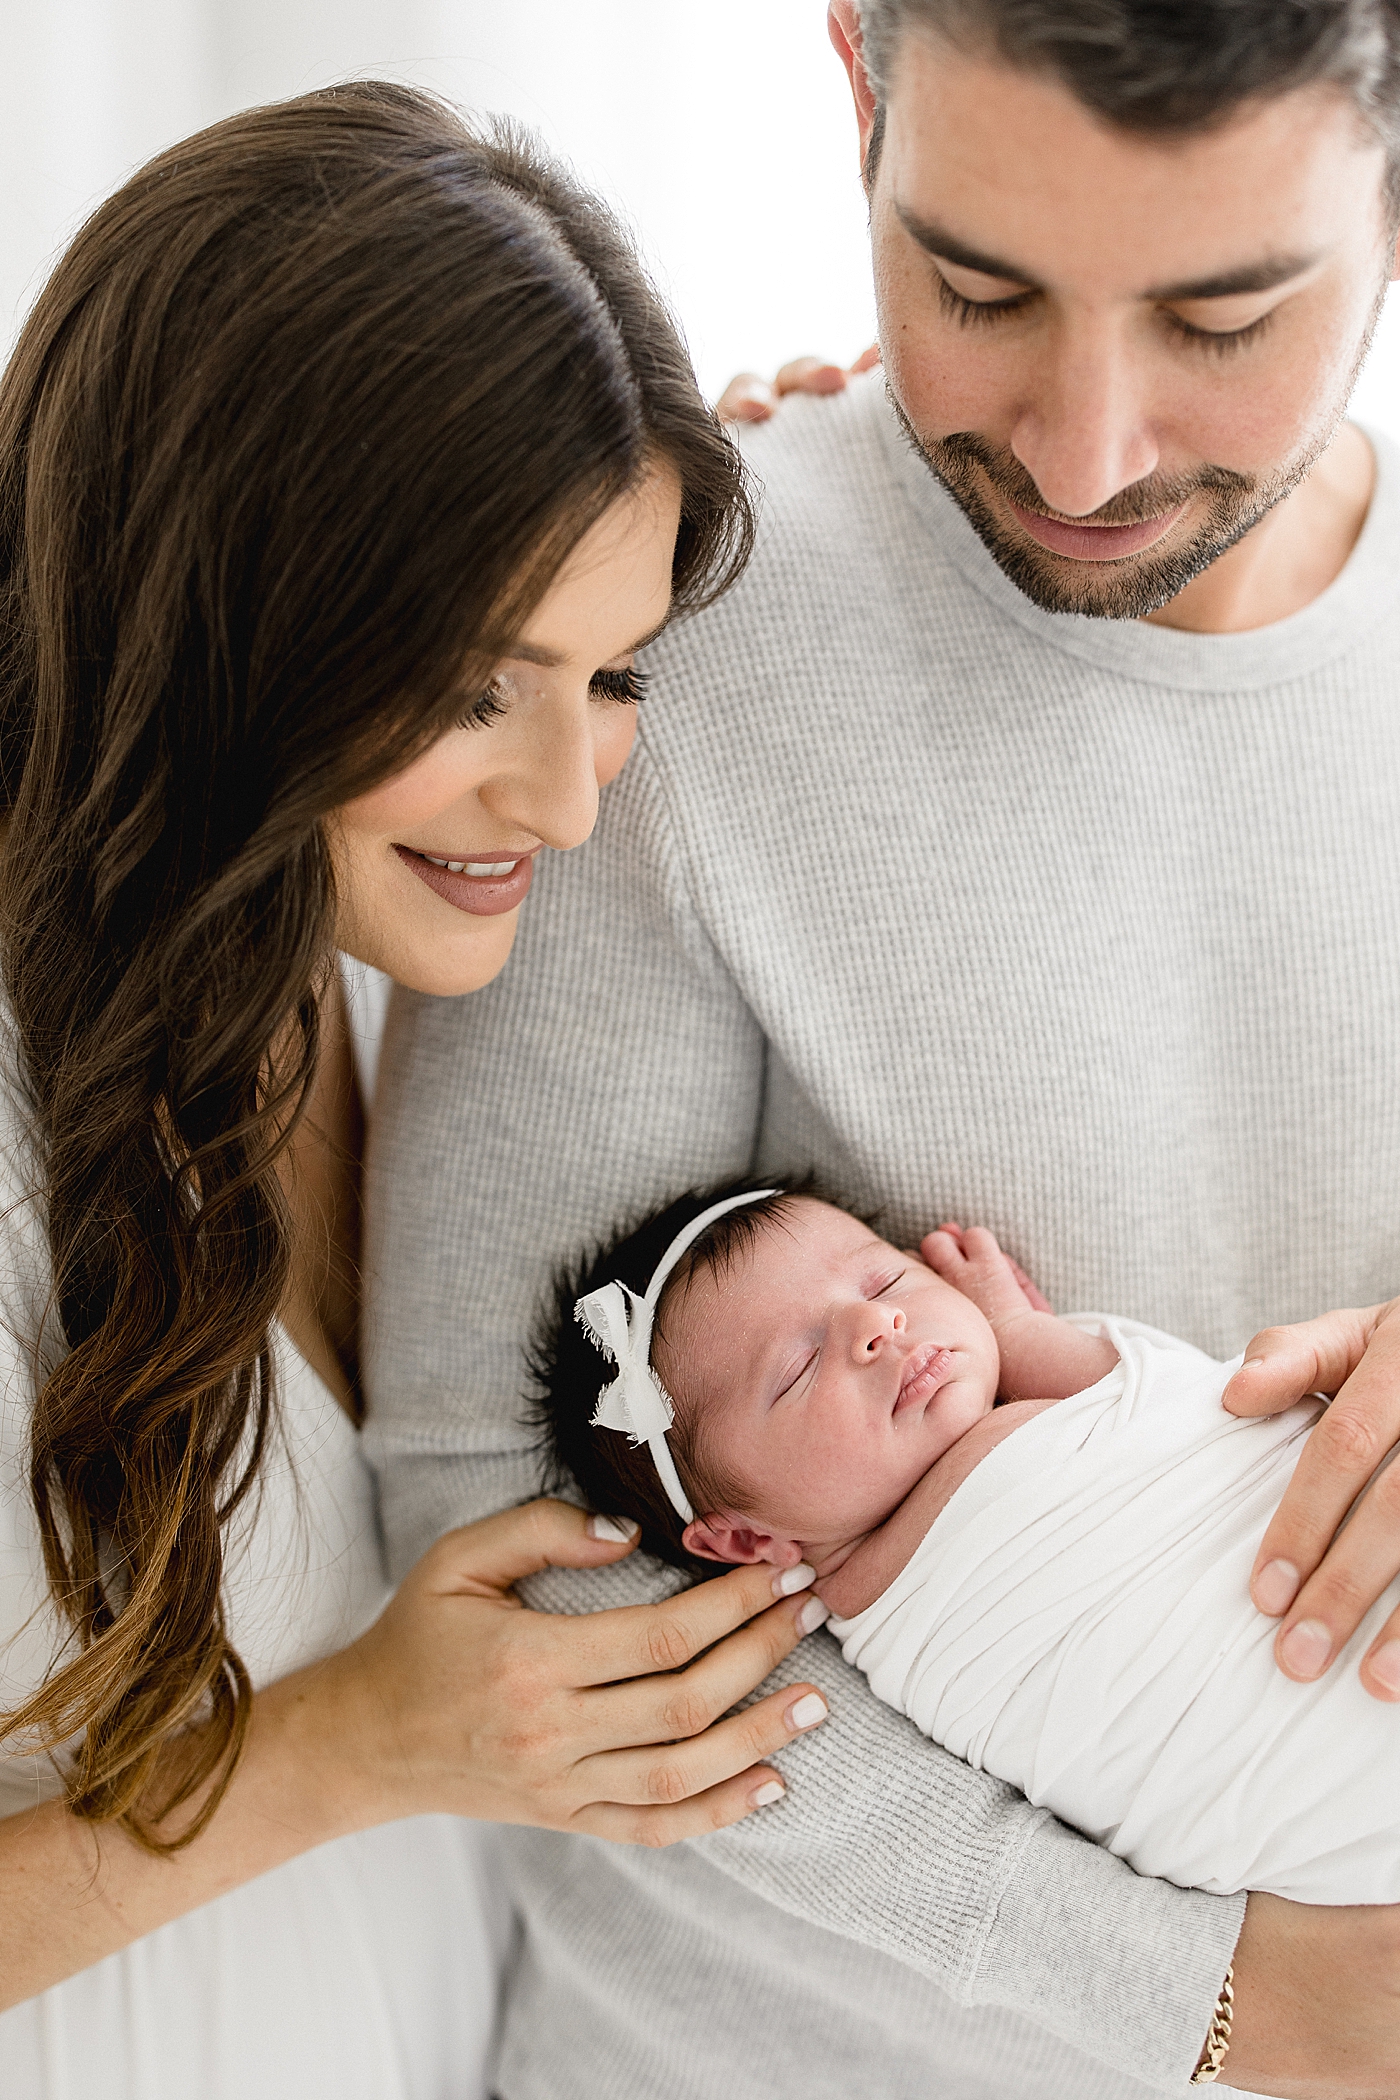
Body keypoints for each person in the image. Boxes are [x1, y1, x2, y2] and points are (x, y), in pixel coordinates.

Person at [361, 3, 1400, 2096]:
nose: (1082, 450)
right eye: (974, 287)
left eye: (1224, 316)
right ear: (855, 74)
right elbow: (501, 1530)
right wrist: (1206, 2003)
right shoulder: (668, 635)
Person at [0, 83, 836, 2098]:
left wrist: (856, 521)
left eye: (615, 673)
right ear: (228, 615)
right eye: (471, 684)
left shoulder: (357, 1000)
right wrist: (350, 1746)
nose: (562, 798)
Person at [535, 1180, 1400, 1905]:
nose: (877, 1330)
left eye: (885, 1281)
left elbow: (1206, 1406)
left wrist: (1016, 1335)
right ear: (748, 1536)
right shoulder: (873, 1624)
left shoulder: (1056, 1392)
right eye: (796, 1370)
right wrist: (1023, 1342)